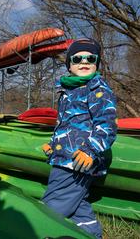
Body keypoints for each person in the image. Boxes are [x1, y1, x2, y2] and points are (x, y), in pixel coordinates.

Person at [41, 38, 117, 239]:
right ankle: (91, 234)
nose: (84, 62)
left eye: (90, 58)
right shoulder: (69, 91)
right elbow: (65, 124)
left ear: (96, 63)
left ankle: (41, 232)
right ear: (69, 65)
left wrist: (91, 151)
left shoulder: (97, 90)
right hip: (64, 155)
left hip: (77, 159)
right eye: (77, 59)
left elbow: (107, 126)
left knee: (54, 204)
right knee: (78, 204)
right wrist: (53, 145)